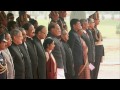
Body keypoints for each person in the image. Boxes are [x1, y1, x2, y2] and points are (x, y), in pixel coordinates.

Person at [90, 11, 105, 79]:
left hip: (98, 52)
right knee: (92, 69)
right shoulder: (91, 31)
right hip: (94, 52)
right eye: (97, 19)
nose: (99, 20)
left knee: (96, 69)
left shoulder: (96, 29)